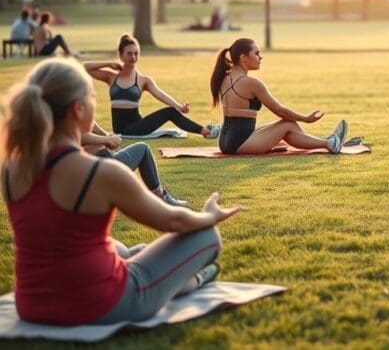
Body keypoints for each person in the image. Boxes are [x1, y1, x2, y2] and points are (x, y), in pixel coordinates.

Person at [0, 58, 240, 325]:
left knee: (124, 249)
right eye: (92, 98)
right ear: (78, 109)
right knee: (206, 236)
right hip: (105, 304)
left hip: (32, 306)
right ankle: (191, 280)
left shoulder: (11, 169)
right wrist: (210, 216)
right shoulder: (101, 173)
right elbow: (174, 220)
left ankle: (171, 276)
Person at [209, 38, 348, 155]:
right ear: (243, 58)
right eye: (256, 53)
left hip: (226, 142)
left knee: (287, 127)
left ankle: (326, 141)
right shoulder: (251, 83)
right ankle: (330, 143)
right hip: (240, 143)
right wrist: (306, 119)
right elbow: (280, 111)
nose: (260, 57)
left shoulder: (223, 78)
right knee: (287, 124)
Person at [84, 34, 219, 138]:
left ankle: (204, 131)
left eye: (136, 53)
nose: (133, 57)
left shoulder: (143, 80)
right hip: (120, 129)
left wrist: (179, 106)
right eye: (129, 53)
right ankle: (206, 130)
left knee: (170, 112)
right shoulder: (111, 77)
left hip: (136, 126)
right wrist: (108, 64)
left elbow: (160, 94)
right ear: (120, 55)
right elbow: (85, 68)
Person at [83, 122, 187, 206]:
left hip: (99, 163)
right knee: (143, 149)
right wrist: (106, 139)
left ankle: (159, 197)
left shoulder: (76, 104)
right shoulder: (72, 103)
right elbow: (77, 136)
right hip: (99, 167)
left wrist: (108, 136)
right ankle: (160, 198)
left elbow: (89, 123)